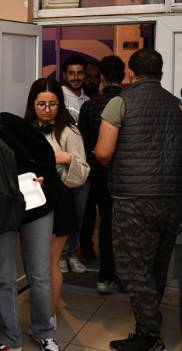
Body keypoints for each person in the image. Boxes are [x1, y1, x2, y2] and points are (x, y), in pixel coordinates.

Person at [95, 48, 182, 351]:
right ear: (161, 72)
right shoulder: (177, 105)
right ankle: (149, 327)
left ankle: (149, 334)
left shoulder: (120, 102)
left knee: (133, 268)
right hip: (172, 198)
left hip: (134, 198)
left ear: (131, 73)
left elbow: (104, 153)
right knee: (157, 265)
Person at [0, 112, 60, 351]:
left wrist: (44, 174)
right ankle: (10, 338)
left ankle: (43, 331)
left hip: (34, 201)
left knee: (39, 273)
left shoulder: (5, 122)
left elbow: (45, 150)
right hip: (0, 210)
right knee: (3, 276)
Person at [25, 77, 89, 335]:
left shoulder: (69, 131)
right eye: (42, 104)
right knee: (32, 264)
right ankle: (39, 311)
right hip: (30, 200)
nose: (47, 109)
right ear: (33, 104)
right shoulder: (25, 128)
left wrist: (66, 157)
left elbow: (83, 172)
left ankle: (48, 317)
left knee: (50, 262)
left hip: (59, 200)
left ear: (60, 105)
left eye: (53, 104)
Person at [77, 55, 126, 295]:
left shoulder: (90, 105)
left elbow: (83, 142)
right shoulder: (128, 103)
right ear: (125, 75)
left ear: (102, 79)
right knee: (113, 224)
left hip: (92, 172)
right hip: (120, 174)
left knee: (89, 216)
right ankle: (111, 275)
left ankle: (87, 254)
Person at [60, 54, 90, 275]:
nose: (76, 77)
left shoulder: (87, 101)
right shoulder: (59, 96)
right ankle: (60, 256)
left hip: (80, 164)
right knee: (63, 213)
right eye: (71, 73)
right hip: (60, 165)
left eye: (80, 73)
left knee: (79, 215)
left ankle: (72, 254)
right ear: (65, 74)